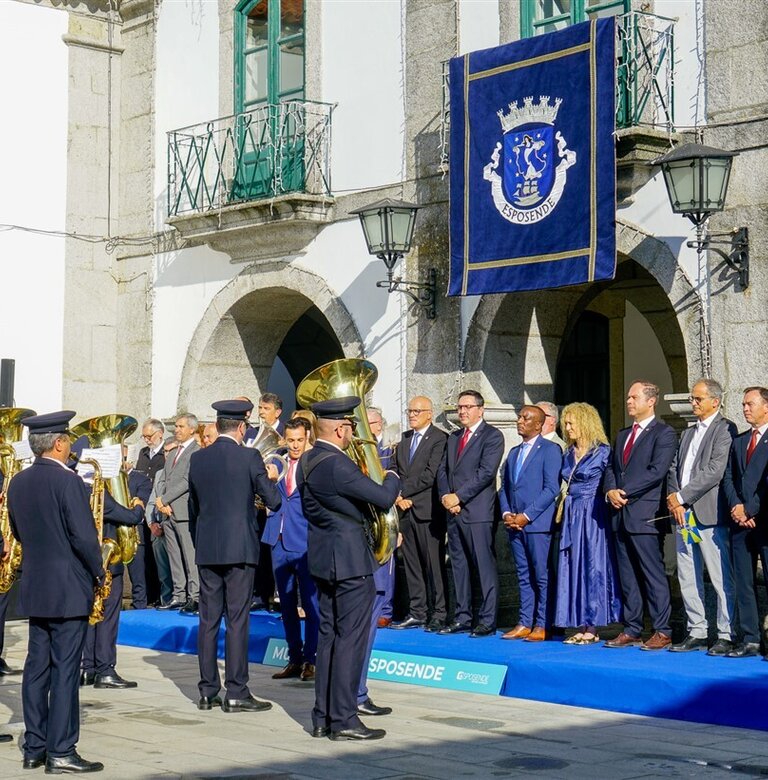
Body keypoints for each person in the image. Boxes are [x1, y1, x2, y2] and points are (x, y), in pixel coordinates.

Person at [7, 411, 104, 773]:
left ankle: (35, 747)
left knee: (36, 667)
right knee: (65, 670)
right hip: (68, 587)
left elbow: (18, 532)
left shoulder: (18, 482)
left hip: (37, 585)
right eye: (68, 441)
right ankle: (61, 749)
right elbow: (84, 538)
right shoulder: (69, 482)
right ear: (60, 443)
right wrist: (99, 572)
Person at [297, 396, 400, 741]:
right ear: (341, 429)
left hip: (323, 559)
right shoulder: (337, 464)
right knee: (350, 641)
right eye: (351, 428)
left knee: (328, 638)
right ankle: (344, 719)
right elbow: (382, 497)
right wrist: (392, 476)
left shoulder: (308, 459)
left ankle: (323, 716)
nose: (353, 434)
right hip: (350, 562)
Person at [188, 399, 281, 712]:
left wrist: (201, 542)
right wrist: (270, 478)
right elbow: (273, 501)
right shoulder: (249, 456)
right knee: (237, 620)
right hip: (240, 548)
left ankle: (207, 690)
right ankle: (237, 690)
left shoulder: (198, 458)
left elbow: (193, 507)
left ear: (218, 425)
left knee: (208, 620)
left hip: (207, 548)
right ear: (241, 427)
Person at [604, 381, 677, 650]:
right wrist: (610, 490)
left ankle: (662, 629)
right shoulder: (623, 434)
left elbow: (657, 471)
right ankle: (632, 628)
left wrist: (624, 491)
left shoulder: (664, 433)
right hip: (620, 514)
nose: (628, 401)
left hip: (645, 514)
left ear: (651, 401)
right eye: (628, 397)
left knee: (652, 574)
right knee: (628, 576)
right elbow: (611, 468)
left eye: (634, 397)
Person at [666, 380, 737, 655]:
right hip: (684, 515)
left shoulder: (724, 429)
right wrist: (675, 500)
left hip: (708, 514)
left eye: (698, 399)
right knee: (687, 572)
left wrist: (682, 497)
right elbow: (674, 468)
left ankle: (726, 633)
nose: (693, 403)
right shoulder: (687, 433)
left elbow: (715, 470)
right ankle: (696, 630)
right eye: (692, 398)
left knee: (719, 575)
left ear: (715, 401)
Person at [437, 390, 504, 637]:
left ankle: (487, 620)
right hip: (453, 512)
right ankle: (462, 617)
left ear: (480, 409)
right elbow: (443, 471)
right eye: (459, 407)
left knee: (484, 567)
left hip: (477, 512)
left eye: (467, 407)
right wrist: (446, 497)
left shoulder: (492, 436)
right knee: (459, 567)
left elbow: (485, 473)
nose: (462, 411)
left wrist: (459, 496)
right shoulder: (454, 437)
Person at [554, 403, 622, 644]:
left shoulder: (602, 452)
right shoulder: (567, 453)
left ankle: (592, 625)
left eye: (571, 423)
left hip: (593, 513)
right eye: (565, 423)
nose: (567, 428)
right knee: (573, 566)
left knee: (593, 565)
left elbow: (610, 480)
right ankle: (578, 623)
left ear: (585, 423)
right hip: (572, 512)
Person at [262, 417, 319, 682]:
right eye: (291, 440)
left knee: (310, 603)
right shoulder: (276, 462)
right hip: (278, 539)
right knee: (285, 604)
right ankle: (294, 658)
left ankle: (311, 660)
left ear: (307, 438)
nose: (295, 445)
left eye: (299, 440)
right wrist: (269, 481)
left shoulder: (314, 464)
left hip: (304, 540)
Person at [499, 405, 562, 642]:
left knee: (541, 576)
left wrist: (527, 515)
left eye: (526, 418)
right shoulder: (514, 452)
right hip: (514, 524)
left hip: (537, 524)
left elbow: (551, 488)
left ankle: (542, 623)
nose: (520, 421)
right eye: (519, 417)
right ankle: (525, 621)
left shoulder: (550, 450)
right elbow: (506, 487)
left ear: (539, 425)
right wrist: (507, 513)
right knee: (523, 575)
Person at [391, 397, 448, 632]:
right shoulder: (405, 439)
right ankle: (417, 612)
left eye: (417, 411)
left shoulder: (439, 438)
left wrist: (403, 492)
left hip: (428, 511)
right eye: (410, 411)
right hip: (405, 511)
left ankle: (440, 613)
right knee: (412, 564)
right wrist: (396, 496)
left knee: (434, 565)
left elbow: (430, 474)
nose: (412, 415)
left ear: (429, 413)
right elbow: (394, 469)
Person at [721, 386, 768, 658]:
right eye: (743, 404)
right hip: (740, 524)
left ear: (766, 407)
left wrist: (750, 510)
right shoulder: (739, 441)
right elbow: (728, 478)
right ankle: (750, 639)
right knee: (744, 582)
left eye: (750, 404)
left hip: (764, 522)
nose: (745, 408)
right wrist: (737, 508)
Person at [154, 414, 201, 613]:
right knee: (173, 556)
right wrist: (161, 502)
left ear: (192, 429)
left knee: (190, 556)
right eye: (176, 426)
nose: (177, 430)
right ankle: (178, 595)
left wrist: (164, 500)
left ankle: (194, 596)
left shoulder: (196, 451)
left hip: (183, 511)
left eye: (181, 426)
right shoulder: (173, 453)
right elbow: (163, 480)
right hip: (167, 512)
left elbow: (186, 480)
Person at [366, 407, 395, 627]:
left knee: (386, 562)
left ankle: (385, 609)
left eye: (367, 423)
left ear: (378, 424)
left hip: (385, 509)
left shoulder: (390, 447)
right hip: (365, 510)